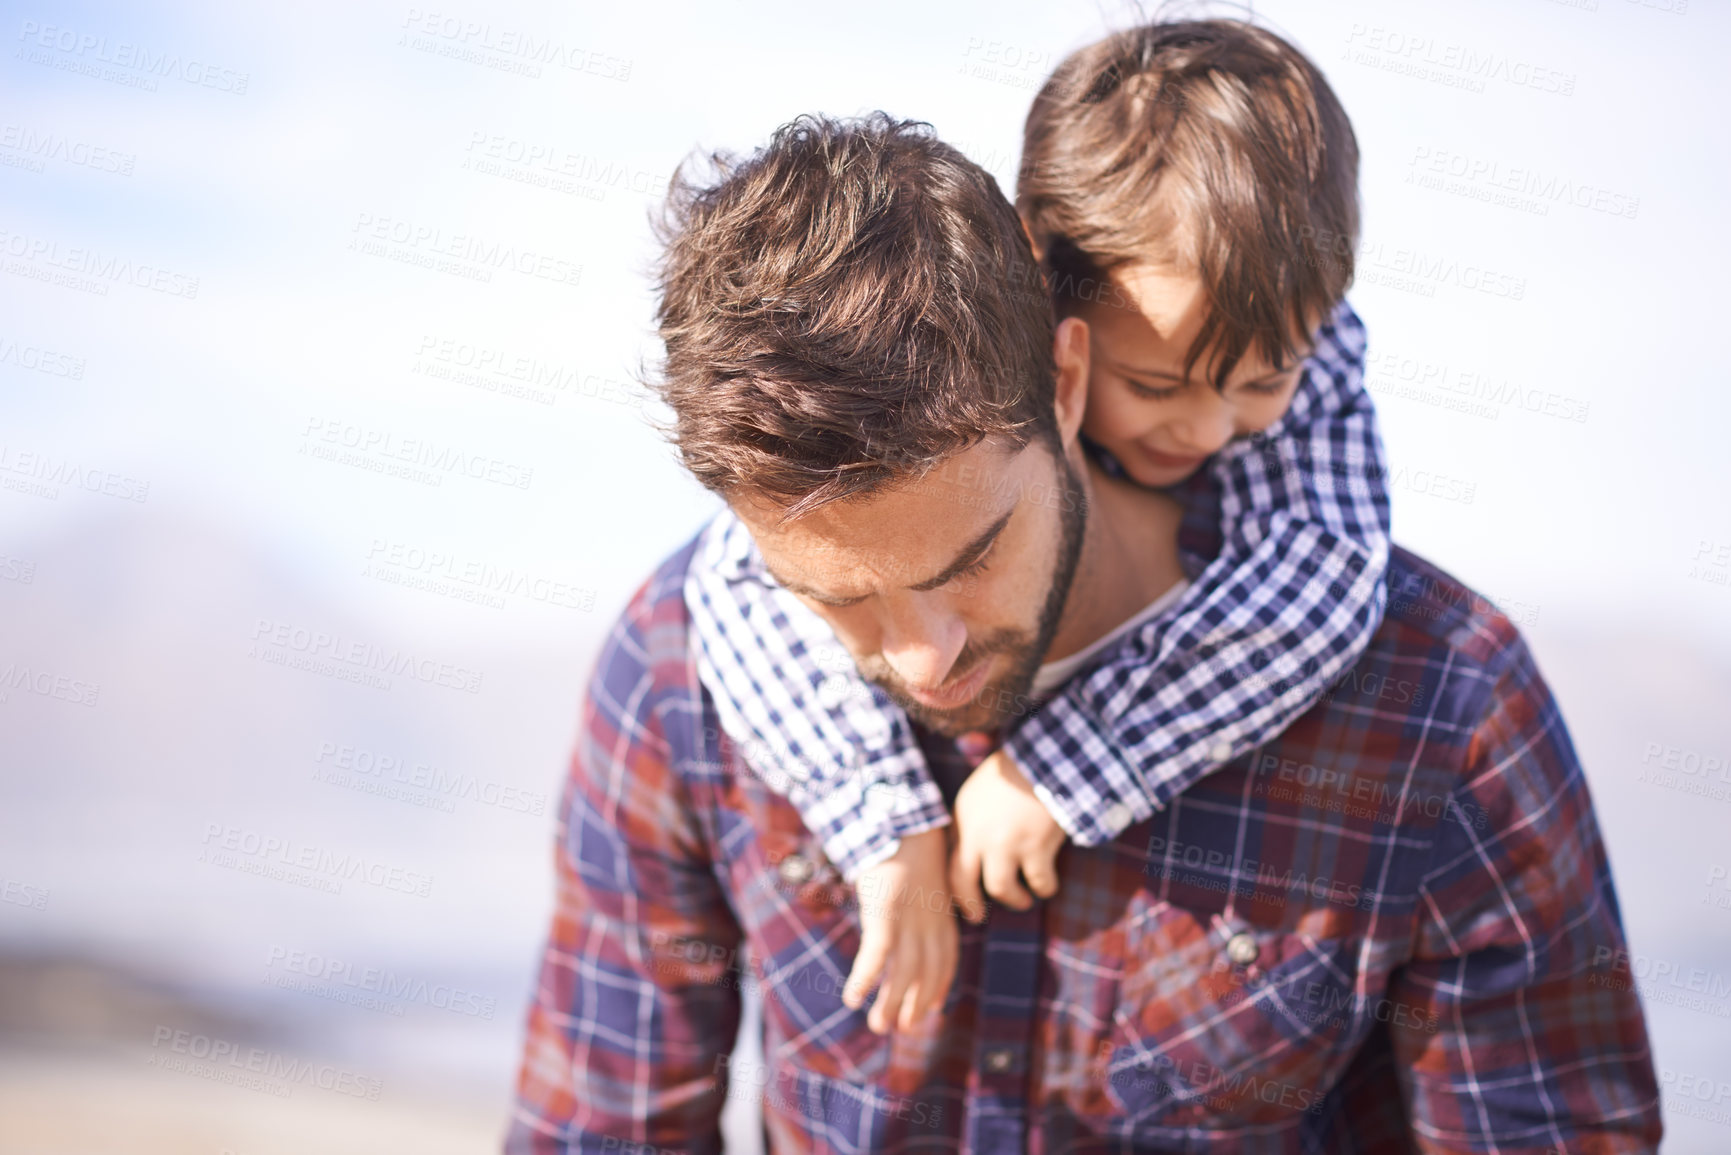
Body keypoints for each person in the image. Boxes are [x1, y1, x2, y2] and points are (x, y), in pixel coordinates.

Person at [506, 112, 1660, 1152]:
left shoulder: (1440, 702)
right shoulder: (676, 673)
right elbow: (598, 1131)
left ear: (1065, 382)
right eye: (837, 600)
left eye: (969, 563)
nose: (923, 659)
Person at [684, 20, 1390, 1033]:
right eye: (1153, 383)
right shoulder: (964, 387)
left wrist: (1065, 767)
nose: (1208, 426)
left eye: (1265, 380)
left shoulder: (1293, 339)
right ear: (1046, 290)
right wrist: (886, 823)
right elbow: (735, 579)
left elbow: (1324, 579)